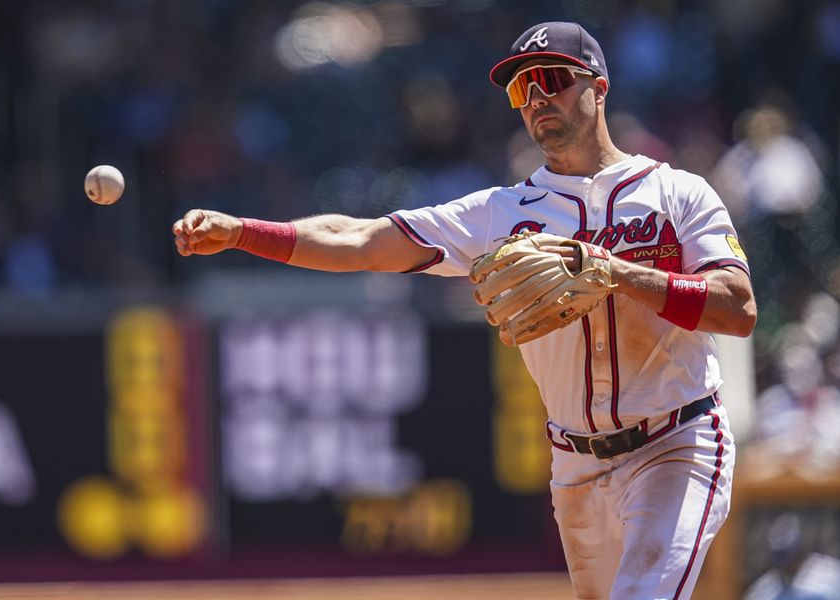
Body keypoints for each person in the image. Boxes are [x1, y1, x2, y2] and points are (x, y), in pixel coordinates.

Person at [173, 21, 756, 600]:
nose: (536, 99)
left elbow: (737, 309)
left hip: (675, 443)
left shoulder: (679, 194)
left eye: (551, 79)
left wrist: (619, 273)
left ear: (598, 87)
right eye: (520, 90)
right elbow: (360, 239)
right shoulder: (500, 213)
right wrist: (244, 232)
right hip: (575, 463)